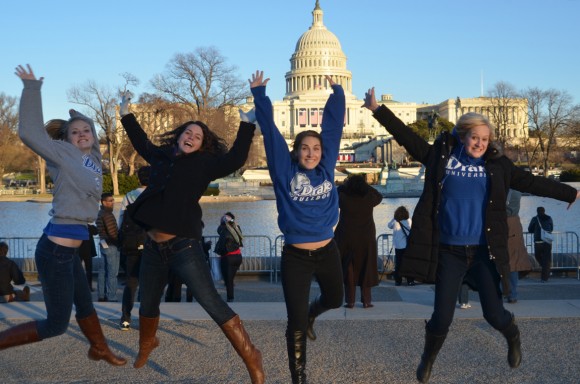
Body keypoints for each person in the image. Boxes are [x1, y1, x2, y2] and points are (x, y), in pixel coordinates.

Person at [362, 86, 579, 383]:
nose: (479, 143)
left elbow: (531, 182)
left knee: (494, 315)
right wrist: (378, 109)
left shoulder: (498, 166)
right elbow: (407, 138)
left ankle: (512, 334)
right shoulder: (440, 157)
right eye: (474, 137)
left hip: (482, 252)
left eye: (484, 138)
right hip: (449, 250)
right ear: (462, 136)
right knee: (442, 317)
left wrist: (569, 192)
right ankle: (429, 357)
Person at [119, 91, 264, 383]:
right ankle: (147, 344)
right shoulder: (160, 157)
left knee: (211, 302)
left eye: (197, 136)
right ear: (179, 136)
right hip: (152, 248)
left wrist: (247, 124)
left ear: (202, 144)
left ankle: (252, 356)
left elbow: (235, 157)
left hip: (183, 245)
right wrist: (125, 112)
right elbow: (140, 140)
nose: (191, 137)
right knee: (147, 304)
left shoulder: (205, 164)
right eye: (188, 132)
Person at [0, 64, 126, 365]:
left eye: (87, 131)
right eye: (75, 133)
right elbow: (29, 132)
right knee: (56, 325)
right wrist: (32, 89)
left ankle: (99, 348)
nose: (82, 135)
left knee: (85, 304)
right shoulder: (63, 155)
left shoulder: (94, 158)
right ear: (66, 140)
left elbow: (88, 130)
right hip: (55, 250)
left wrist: (80, 118)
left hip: (70, 251)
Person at [250, 70, 345, 383]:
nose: (311, 152)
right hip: (295, 255)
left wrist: (338, 94)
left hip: (327, 250)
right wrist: (261, 96)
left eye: (316, 149)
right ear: (296, 151)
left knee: (335, 299)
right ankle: (299, 377)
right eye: (305, 148)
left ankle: (313, 315)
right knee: (294, 320)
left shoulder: (326, 168)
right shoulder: (283, 170)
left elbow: (331, 130)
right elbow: (272, 134)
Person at [334, 174, 382, 309]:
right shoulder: (369, 198)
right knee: (366, 266)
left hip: (346, 235)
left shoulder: (343, 197)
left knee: (348, 266)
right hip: (366, 236)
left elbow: (336, 192)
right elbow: (379, 195)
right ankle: (366, 301)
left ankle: (350, 301)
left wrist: (345, 185)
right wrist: (365, 185)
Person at [119, 166, 150, 330]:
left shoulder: (129, 196)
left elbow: (121, 220)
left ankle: (125, 318)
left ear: (138, 178)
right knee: (149, 284)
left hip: (131, 244)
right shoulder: (155, 195)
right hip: (150, 245)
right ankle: (146, 320)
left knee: (131, 283)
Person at [506, 190, 532, 303]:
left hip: (504, 222)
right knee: (514, 262)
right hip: (514, 223)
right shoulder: (516, 190)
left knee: (498, 261)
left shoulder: (506, 188)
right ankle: (512, 294)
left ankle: (506, 292)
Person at [215, 212, 244, 303]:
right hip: (238, 257)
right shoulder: (237, 228)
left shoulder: (223, 229)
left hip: (228, 258)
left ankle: (230, 298)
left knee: (228, 280)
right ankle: (229, 297)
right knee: (230, 279)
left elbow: (219, 230)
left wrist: (223, 220)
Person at [96, 193, 120, 302]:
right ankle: (112, 297)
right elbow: (112, 233)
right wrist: (119, 242)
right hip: (111, 245)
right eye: (110, 200)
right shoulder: (108, 214)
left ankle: (101, 295)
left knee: (102, 271)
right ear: (104, 202)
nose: (113, 202)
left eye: (113, 200)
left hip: (103, 243)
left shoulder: (100, 213)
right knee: (112, 273)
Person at [387, 206, 415, 286]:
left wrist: (394, 218)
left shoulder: (395, 221)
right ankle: (410, 280)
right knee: (408, 263)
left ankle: (398, 281)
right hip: (407, 245)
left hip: (398, 246)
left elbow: (389, 225)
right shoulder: (408, 220)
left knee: (398, 264)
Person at [527, 206, 553, 282]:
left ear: (537, 211)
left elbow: (530, 229)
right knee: (546, 259)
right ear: (544, 211)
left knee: (537, 256)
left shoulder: (535, 219)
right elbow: (551, 228)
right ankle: (545, 276)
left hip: (538, 241)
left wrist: (536, 230)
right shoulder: (549, 218)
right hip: (547, 241)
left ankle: (546, 271)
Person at [78, 224, 98, 291]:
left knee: (77, 270)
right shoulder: (88, 227)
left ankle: (78, 287)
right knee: (89, 270)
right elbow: (96, 231)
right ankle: (89, 287)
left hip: (78, 251)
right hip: (88, 251)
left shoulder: (77, 226)